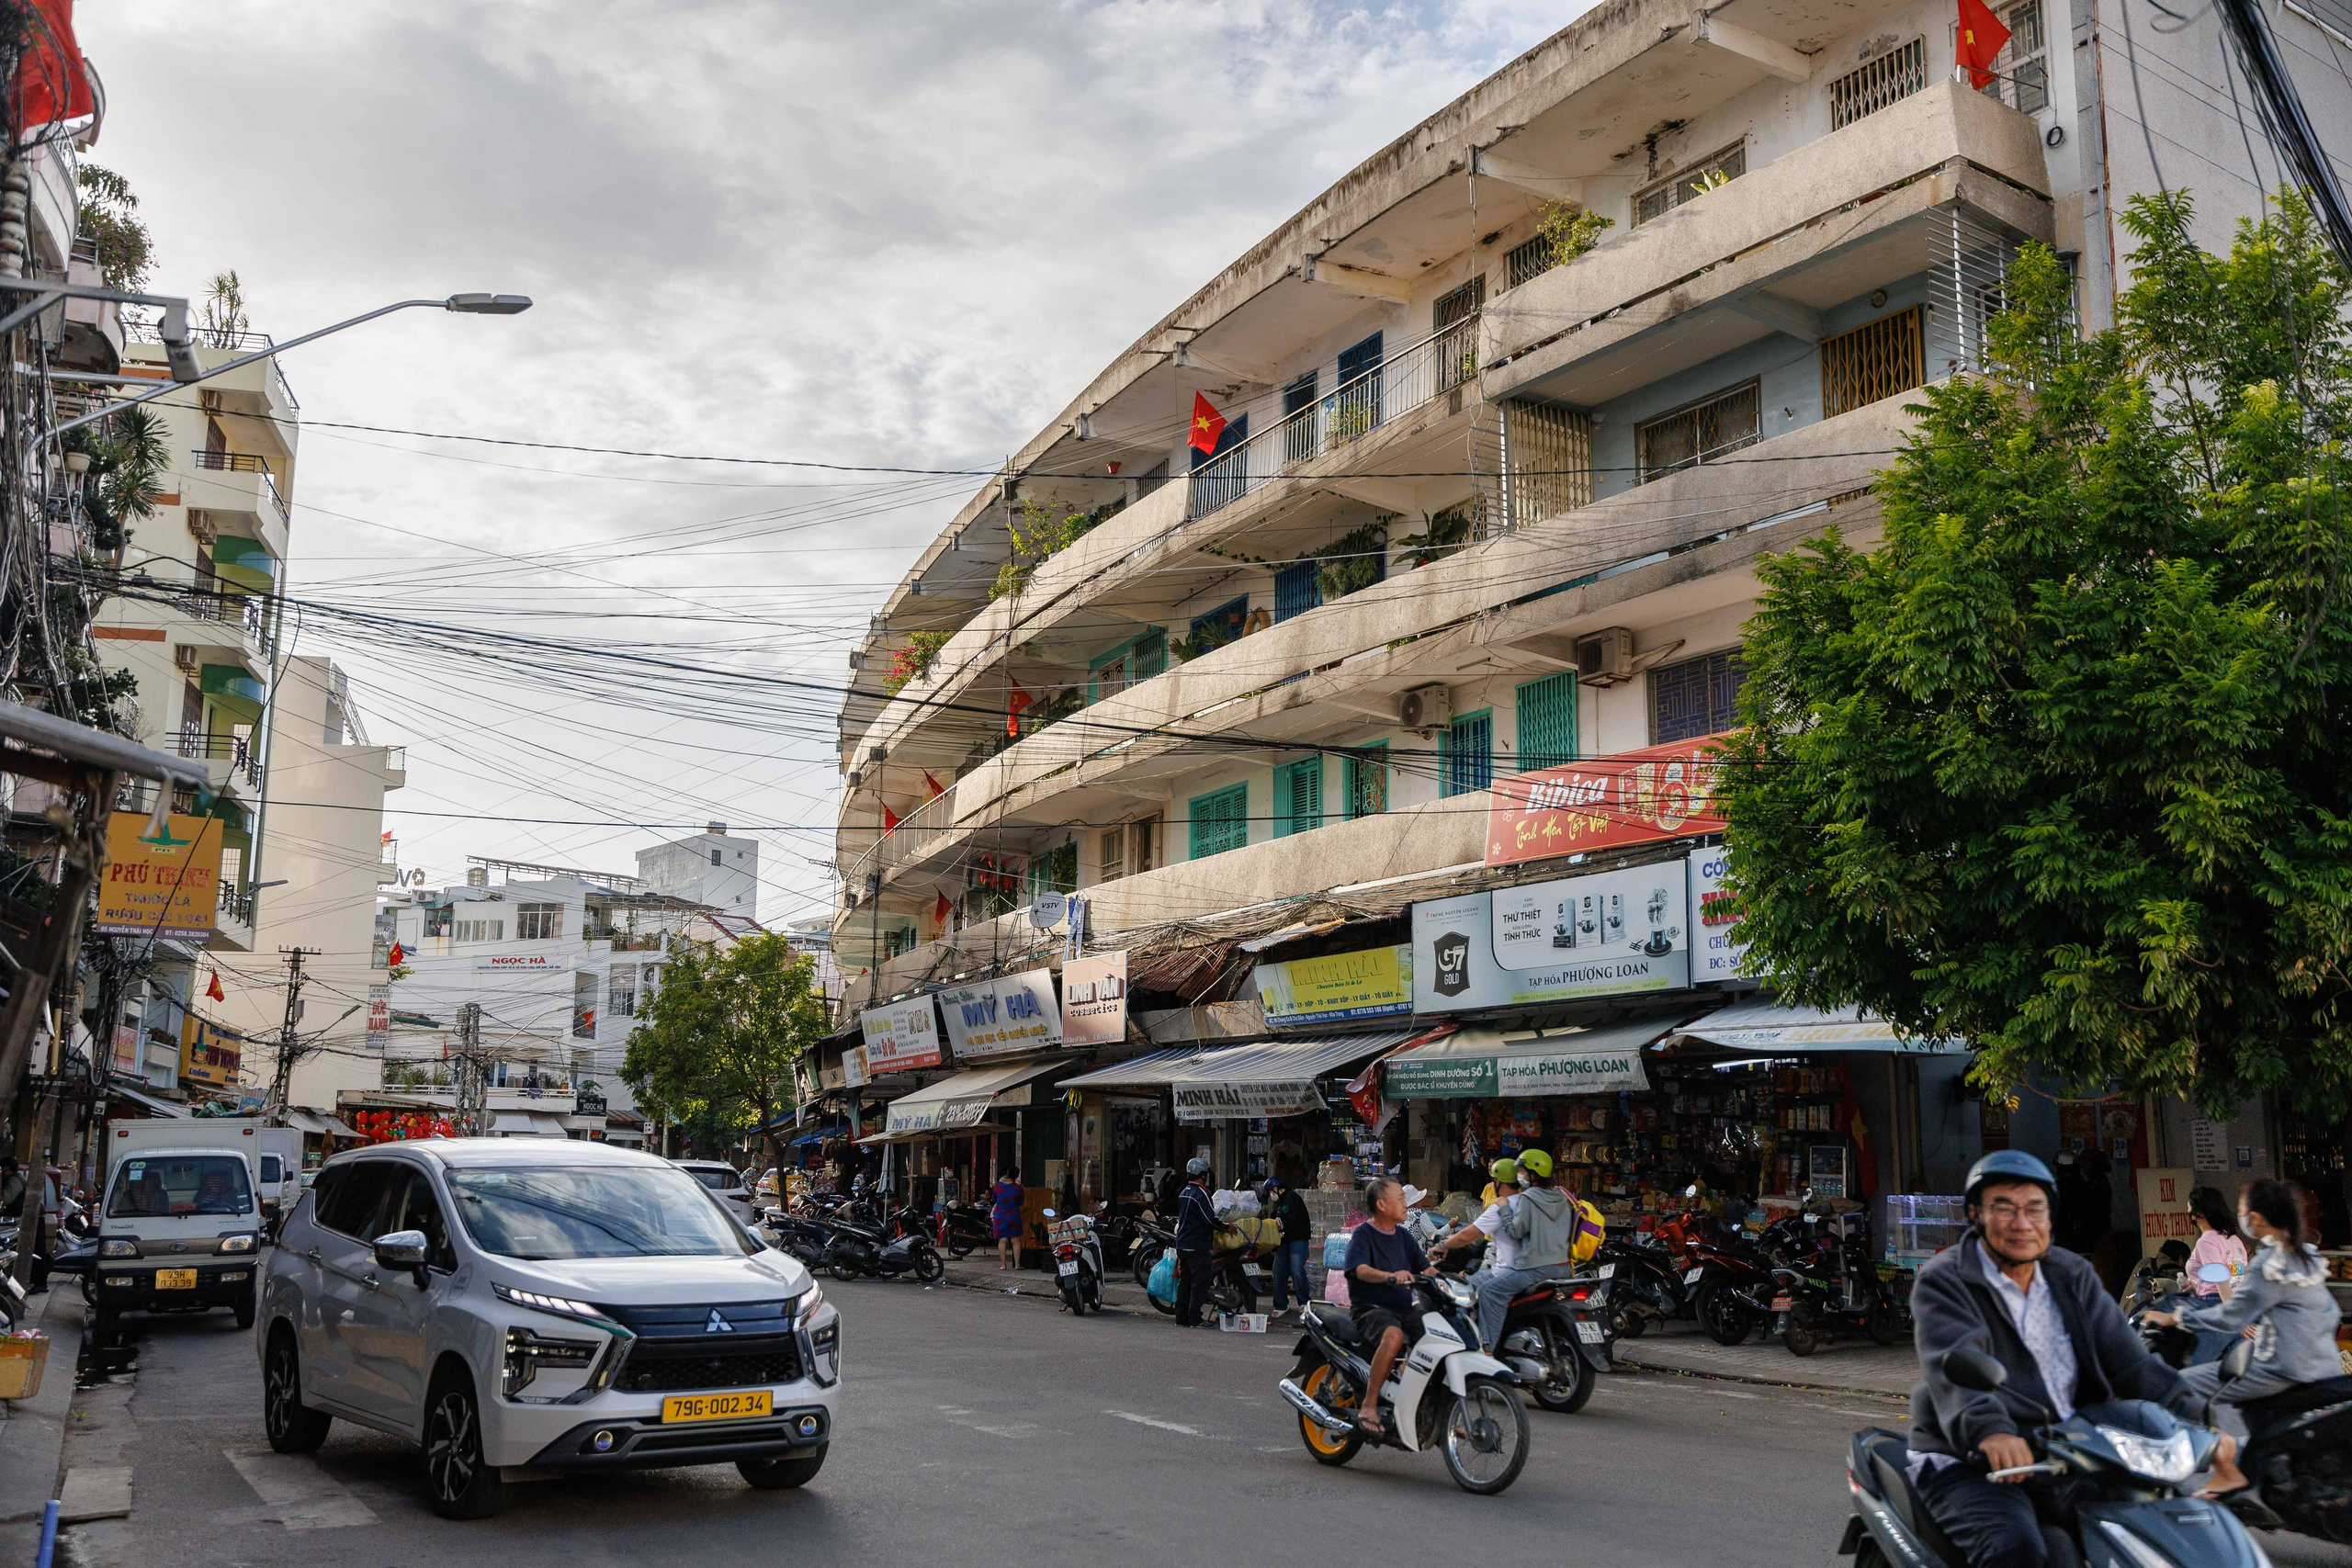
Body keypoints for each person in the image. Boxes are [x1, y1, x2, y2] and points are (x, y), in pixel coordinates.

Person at [1908, 1151, 2231, 1568]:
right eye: (2003, 1208)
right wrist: (1991, 1430)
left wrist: (2200, 1420)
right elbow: (1957, 1362)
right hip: (1971, 1460)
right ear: (1975, 1214)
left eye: (2034, 1209)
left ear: (2050, 1217)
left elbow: (2130, 1363)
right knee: (2017, 1550)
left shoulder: (2070, 1274)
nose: (2022, 1223)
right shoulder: (1946, 1278)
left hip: (2073, 1451)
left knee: (2158, 1531)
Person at [2146, 1179, 2341, 1495]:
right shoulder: (2304, 1257)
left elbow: (2229, 1314)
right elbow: (2329, 1313)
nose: (2241, 1216)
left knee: (2185, 1384)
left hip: (2281, 1365)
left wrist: (2175, 1316)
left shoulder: (2269, 1263)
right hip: (2322, 1364)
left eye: (2243, 1210)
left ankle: (2226, 1468)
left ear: (2259, 1219)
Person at [1341, 1177, 1430, 1437]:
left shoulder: (1402, 1236)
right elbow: (1359, 1270)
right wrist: (1388, 1276)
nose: (1406, 1204)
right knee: (1394, 1336)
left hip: (1405, 1307)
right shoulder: (1363, 1234)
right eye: (1400, 1199)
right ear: (1381, 1204)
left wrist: (1455, 1277)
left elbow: (1426, 1268)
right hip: (1371, 1308)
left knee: (1438, 1337)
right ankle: (1369, 1404)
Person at [1428, 1158, 1521, 1345]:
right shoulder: (1528, 1203)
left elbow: (1466, 1236)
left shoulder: (1501, 1206)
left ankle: (1480, 1345)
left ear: (1498, 1182)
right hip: (1529, 1269)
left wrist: (1441, 1246)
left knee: (1462, 1286)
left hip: (1506, 1270)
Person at [2181, 1185, 2249, 1362]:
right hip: (2238, 1305)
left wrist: (2236, 1319)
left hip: (2216, 1308)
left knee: (2193, 1369)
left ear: (2200, 1212)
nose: (2187, 1210)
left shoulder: (2206, 1241)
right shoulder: (2234, 1240)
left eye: (2190, 1207)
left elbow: (2221, 1282)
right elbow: (2240, 1278)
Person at [1173, 1157, 1219, 1327]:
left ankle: (1181, 1318)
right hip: (1197, 1245)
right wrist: (1227, 1227)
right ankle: (1195, 1319)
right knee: (1199, 1284)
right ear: (1202, 1175)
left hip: (1183, 1244)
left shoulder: (1184, 1192)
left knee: (1184, 1283)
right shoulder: (1201, 1194)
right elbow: (1210, 1219)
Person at [1262, 1172, 1312, 1320]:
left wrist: (1285, 1227)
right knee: (1278, 1272)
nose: (1271, 1195)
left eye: (1271, 1192)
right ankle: (1281, 1304)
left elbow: (1294, 1220)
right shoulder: (1281, 1203)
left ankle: (1304, 1303)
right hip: (1284, 1242)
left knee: (1297, 1270)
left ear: (1276, 1188)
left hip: (1298, 1240)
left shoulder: (1293, 1198)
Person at [989, 1167, 1024, 1271]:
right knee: (1016, 1240)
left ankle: (1003, 1265)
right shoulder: (1019, 1188)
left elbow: (994, 1199)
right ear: (1016, 1176)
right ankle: (1017, 1265)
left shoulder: (998, 1187)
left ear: (1007, 1174)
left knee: (1002, 1240)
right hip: (1013, 1215)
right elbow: (1021, 1202)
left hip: (1000, 1215)